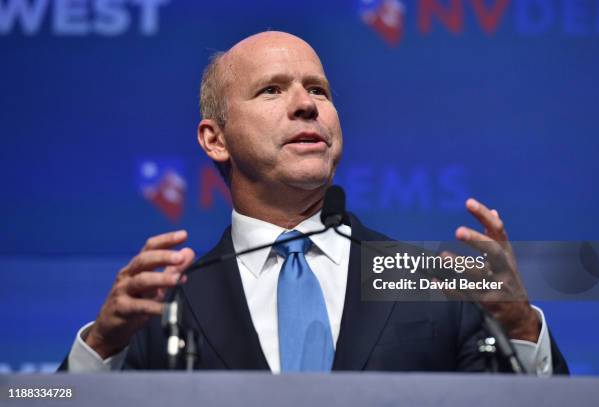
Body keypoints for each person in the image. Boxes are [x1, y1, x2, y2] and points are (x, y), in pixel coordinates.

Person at [60, 31, 567, 374]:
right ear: (216, 140)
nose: (306, 104)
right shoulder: (161, 308)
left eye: (318, 90)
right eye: (271, 90)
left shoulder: (427, 282)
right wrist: (101, 347)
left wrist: (520, 327)